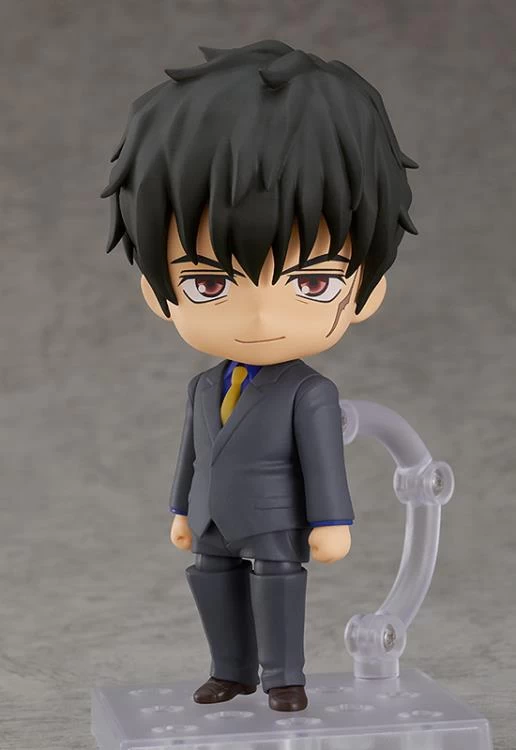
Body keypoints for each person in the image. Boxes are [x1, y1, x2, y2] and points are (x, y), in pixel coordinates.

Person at [102, 39, 417, 712]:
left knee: (278, 585)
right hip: (212, 514)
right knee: (212, 580)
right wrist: (180, 508)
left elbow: (323, 462)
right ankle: (231, 670)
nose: (262, 315)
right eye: (209, 284)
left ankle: (284, 677)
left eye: (311, 282)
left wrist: (332, 522)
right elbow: (192, 452)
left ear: (366, 291)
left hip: (275, 520)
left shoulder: (310, 392)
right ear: (158, 293)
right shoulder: (202, 387)